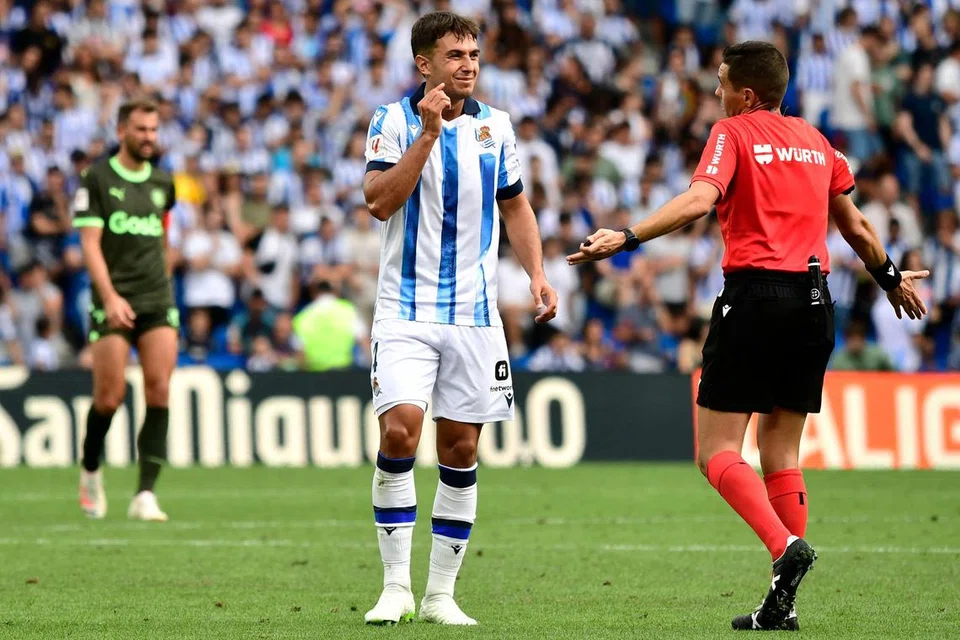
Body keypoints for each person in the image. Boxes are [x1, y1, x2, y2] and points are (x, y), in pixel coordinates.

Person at [568, 41, 929, 631]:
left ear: (747, 94)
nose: (716, 92)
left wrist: (627, 237)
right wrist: (890, 279)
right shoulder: (817, 142)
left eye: (722, 82)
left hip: (756, 298)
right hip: (815, 303)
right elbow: (857, 225)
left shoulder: (732, 133)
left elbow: (698, 201)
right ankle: (783, 603)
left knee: (716, 453)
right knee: (781, 453)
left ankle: (784, 547)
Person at [361, 11, 558, 626]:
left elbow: (516, 207)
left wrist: (536, 273)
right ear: (425, 64)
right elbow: (378, 202)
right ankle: (396, 586)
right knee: (400, 432)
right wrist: (428, 134)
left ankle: (440, 595)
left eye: (473, 54)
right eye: (455, 55)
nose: (468, 64)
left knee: (461, 447)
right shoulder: (391, 120)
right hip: (405, 311)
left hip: (474, 315)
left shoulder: (497, 127)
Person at [73, 99, 179, 522]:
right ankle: (90, 468)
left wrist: (164, 282)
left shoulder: (163, 182)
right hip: (113, 297)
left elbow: (163, 238)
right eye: (141, 129)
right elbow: (89, 245)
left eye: (153, 129)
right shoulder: (96, 179)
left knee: (159, 389)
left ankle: (145, 494)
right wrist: (110, 297)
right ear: (121, 131)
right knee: (109, 396)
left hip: (156, 298)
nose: (149, 137)